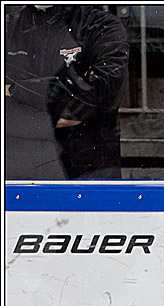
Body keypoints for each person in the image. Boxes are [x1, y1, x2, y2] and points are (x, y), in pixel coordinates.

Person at [4, 4, 128, 179]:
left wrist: (13, 90)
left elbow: (95, 95)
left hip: (86, 174)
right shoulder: (8, 26)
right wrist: (64, 102)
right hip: (15, 175)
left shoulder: (101, 26)